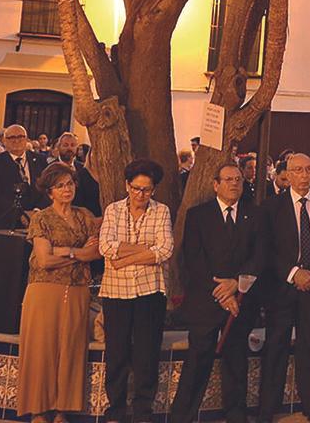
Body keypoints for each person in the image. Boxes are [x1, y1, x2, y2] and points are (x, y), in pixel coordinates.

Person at [256, 153, 310, 423]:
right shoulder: (271, 208)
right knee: (275, 349)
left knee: (309, 349)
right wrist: (294, 274)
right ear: (288, 175)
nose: (304, 175)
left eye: (308, 169)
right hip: (281, 290)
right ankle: (267, 410)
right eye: (298, 170)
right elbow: (265, 250)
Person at [169, 164, 259, 423]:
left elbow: (259, 255)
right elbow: (193, 259)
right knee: (197, 359)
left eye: (238, 180)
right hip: (206, 301)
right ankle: (182, 416)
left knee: (236, 360)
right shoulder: (199, 215)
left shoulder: (254, 215)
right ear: (215, 184)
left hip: (241, 300)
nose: (234, 184)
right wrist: (222, 293)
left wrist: (237, 284)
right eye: (228, 179)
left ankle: (236, 414)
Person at [16, 163, 101, 423]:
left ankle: (63, 409)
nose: (67, 189)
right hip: (44, 291)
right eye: (61, 185)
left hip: (77, 290)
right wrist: (79, 254)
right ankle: (39, 410)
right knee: (42, 349)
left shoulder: (85, 216)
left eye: (70, 184)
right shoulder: (42, 218)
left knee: (71, 348)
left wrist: (64, 251)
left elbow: (96, 253)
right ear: (50, 191)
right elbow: (44, 261)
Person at [99, 159, 174, 423]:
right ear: (126, 186)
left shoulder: (161, 211)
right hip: (115, 292)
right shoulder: (113, 210)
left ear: (154, 189)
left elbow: (165, 250)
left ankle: (143, 411)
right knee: (117, 351)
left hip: (149, 292)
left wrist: (125, 257)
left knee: (146, 352)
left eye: (146, 189)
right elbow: (106, 247)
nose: (140, 195)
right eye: (135, 188)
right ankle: (116, 409)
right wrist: (144, 250)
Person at [0, 124, 49, 229]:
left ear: (26, 139)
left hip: (36, 223)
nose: (16, 140)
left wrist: (36, 211)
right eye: (11, 137)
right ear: (4, 141)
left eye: (20, 137)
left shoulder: (41, 160)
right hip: (4, 224)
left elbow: (47, 189)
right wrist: (20, 214)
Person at [55, 132, 101, 216]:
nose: (69, 148)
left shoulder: (83, 169)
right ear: (58, 147)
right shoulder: (50, 167)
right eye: (65, 145)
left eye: (73, 145)